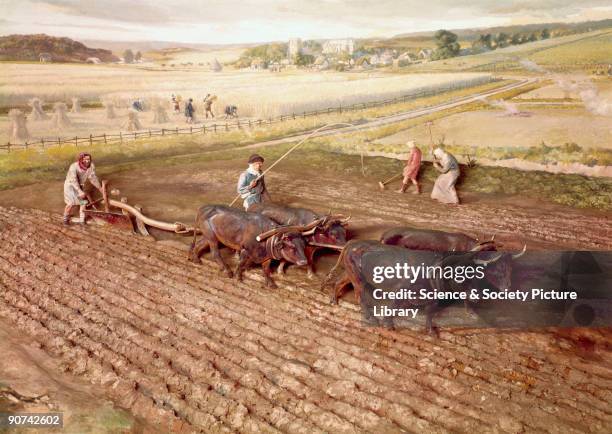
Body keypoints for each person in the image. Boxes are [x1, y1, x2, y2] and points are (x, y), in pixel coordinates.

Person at [63, 152, 103, 225]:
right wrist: (80, 191)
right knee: (71, 203)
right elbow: (73, 180)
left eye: (88, 159)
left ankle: (82, 220)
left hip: (80, 186)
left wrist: (100, 188)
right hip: (70, 186)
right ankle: (65, 218)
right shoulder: (74, 167)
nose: (87, 161)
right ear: (81, 159)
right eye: (85, 159)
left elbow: (93, 178)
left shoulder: (91, 166)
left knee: (83, 202)